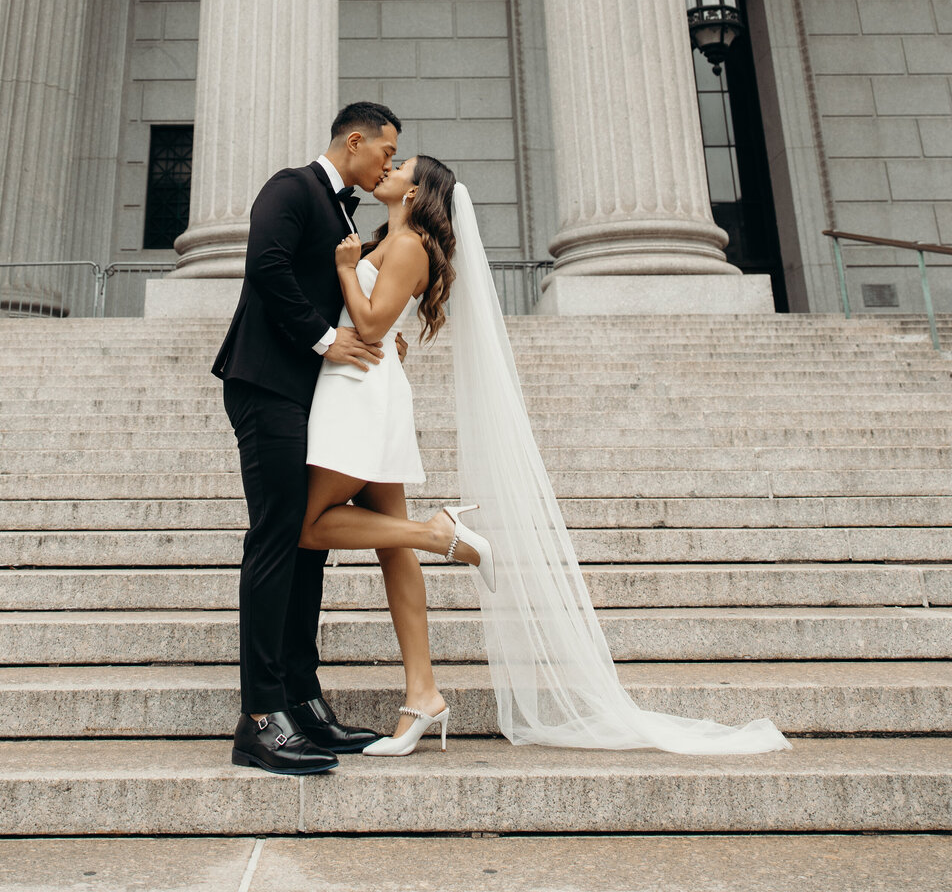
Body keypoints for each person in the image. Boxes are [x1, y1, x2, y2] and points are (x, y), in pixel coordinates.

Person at [301, 155, 792, 759]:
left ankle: (439, 533)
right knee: (389, 546)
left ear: (420, 189)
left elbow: (372, 327)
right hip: (369, 385)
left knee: (310, 525)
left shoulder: (407, 245)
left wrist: (348, 269)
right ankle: (422, 694)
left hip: (361, 389)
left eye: (401, 165)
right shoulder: (394, 240)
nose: (389, 168)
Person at [211, 100, 403, 775]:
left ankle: (301, 701)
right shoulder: (291, 187)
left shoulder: (344, 212)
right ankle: (259, 718)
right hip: (265, 383)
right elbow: (266, 267)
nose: (388, 164)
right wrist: (329, 341)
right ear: (355, 140)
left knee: (306, 542)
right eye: (385, 152)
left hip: (306, 394)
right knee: (274, 538)